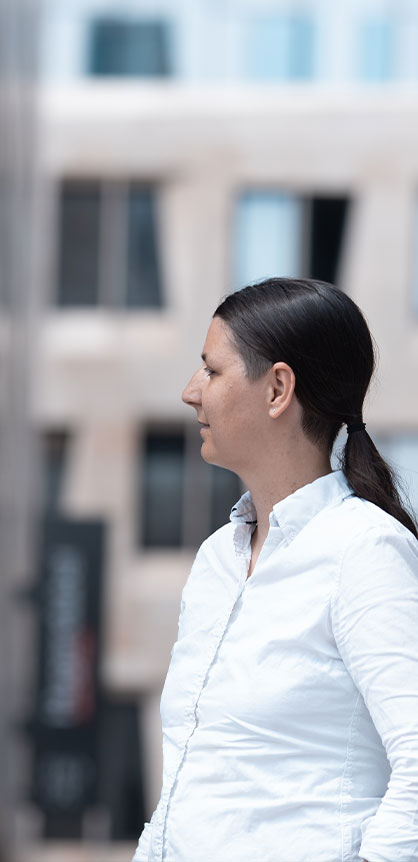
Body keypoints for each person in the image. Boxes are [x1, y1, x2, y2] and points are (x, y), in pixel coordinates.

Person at [133, 278, 418, 862]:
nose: (191, 392)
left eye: (211, 371)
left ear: (277, 389)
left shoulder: (363, 550)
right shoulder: (217, 558)